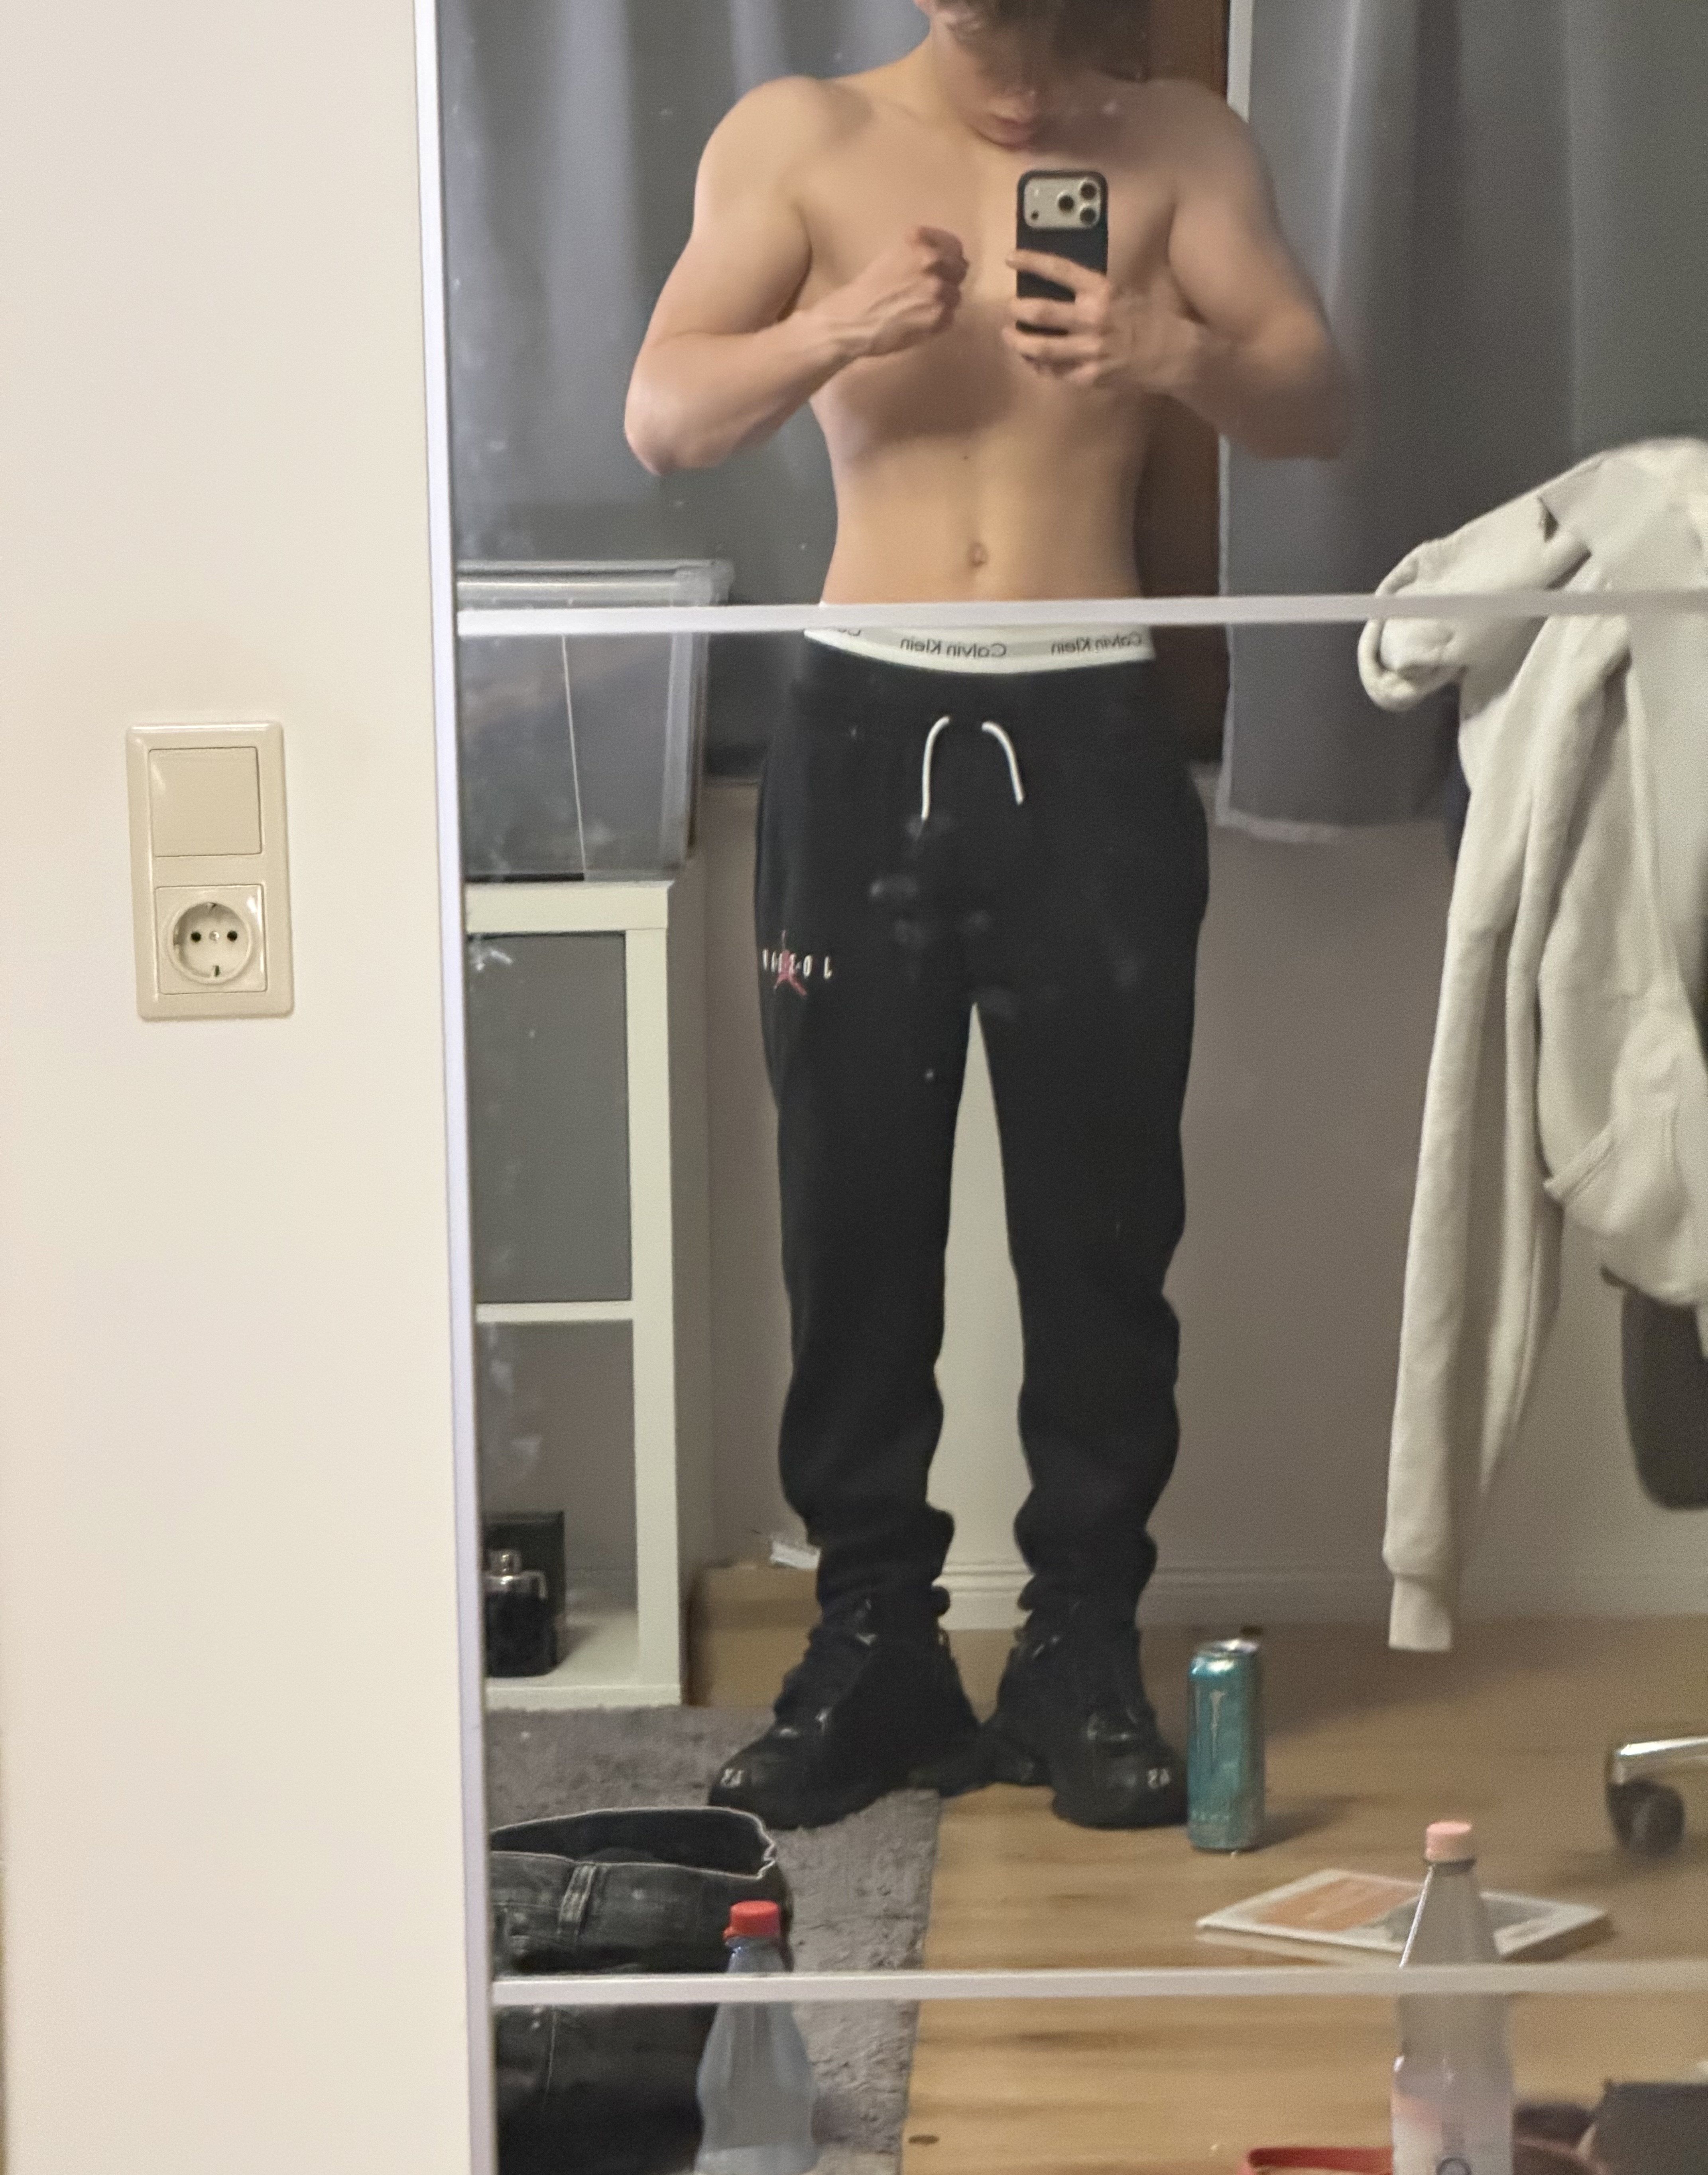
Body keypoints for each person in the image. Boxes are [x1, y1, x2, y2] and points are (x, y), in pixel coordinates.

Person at [626, 0, 1351, 1831]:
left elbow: (1317, 400)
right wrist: (837, 326)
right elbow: (664, 416)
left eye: (1059, 39)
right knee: (850, 1212)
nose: (1027, 89)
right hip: (862, 717)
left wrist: (1171, 347)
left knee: (1102, 1218)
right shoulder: (801, 140)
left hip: (1089, 713)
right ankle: (872, 1642)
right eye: (988, 37)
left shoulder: (1179, 147)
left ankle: (1076, 1646)